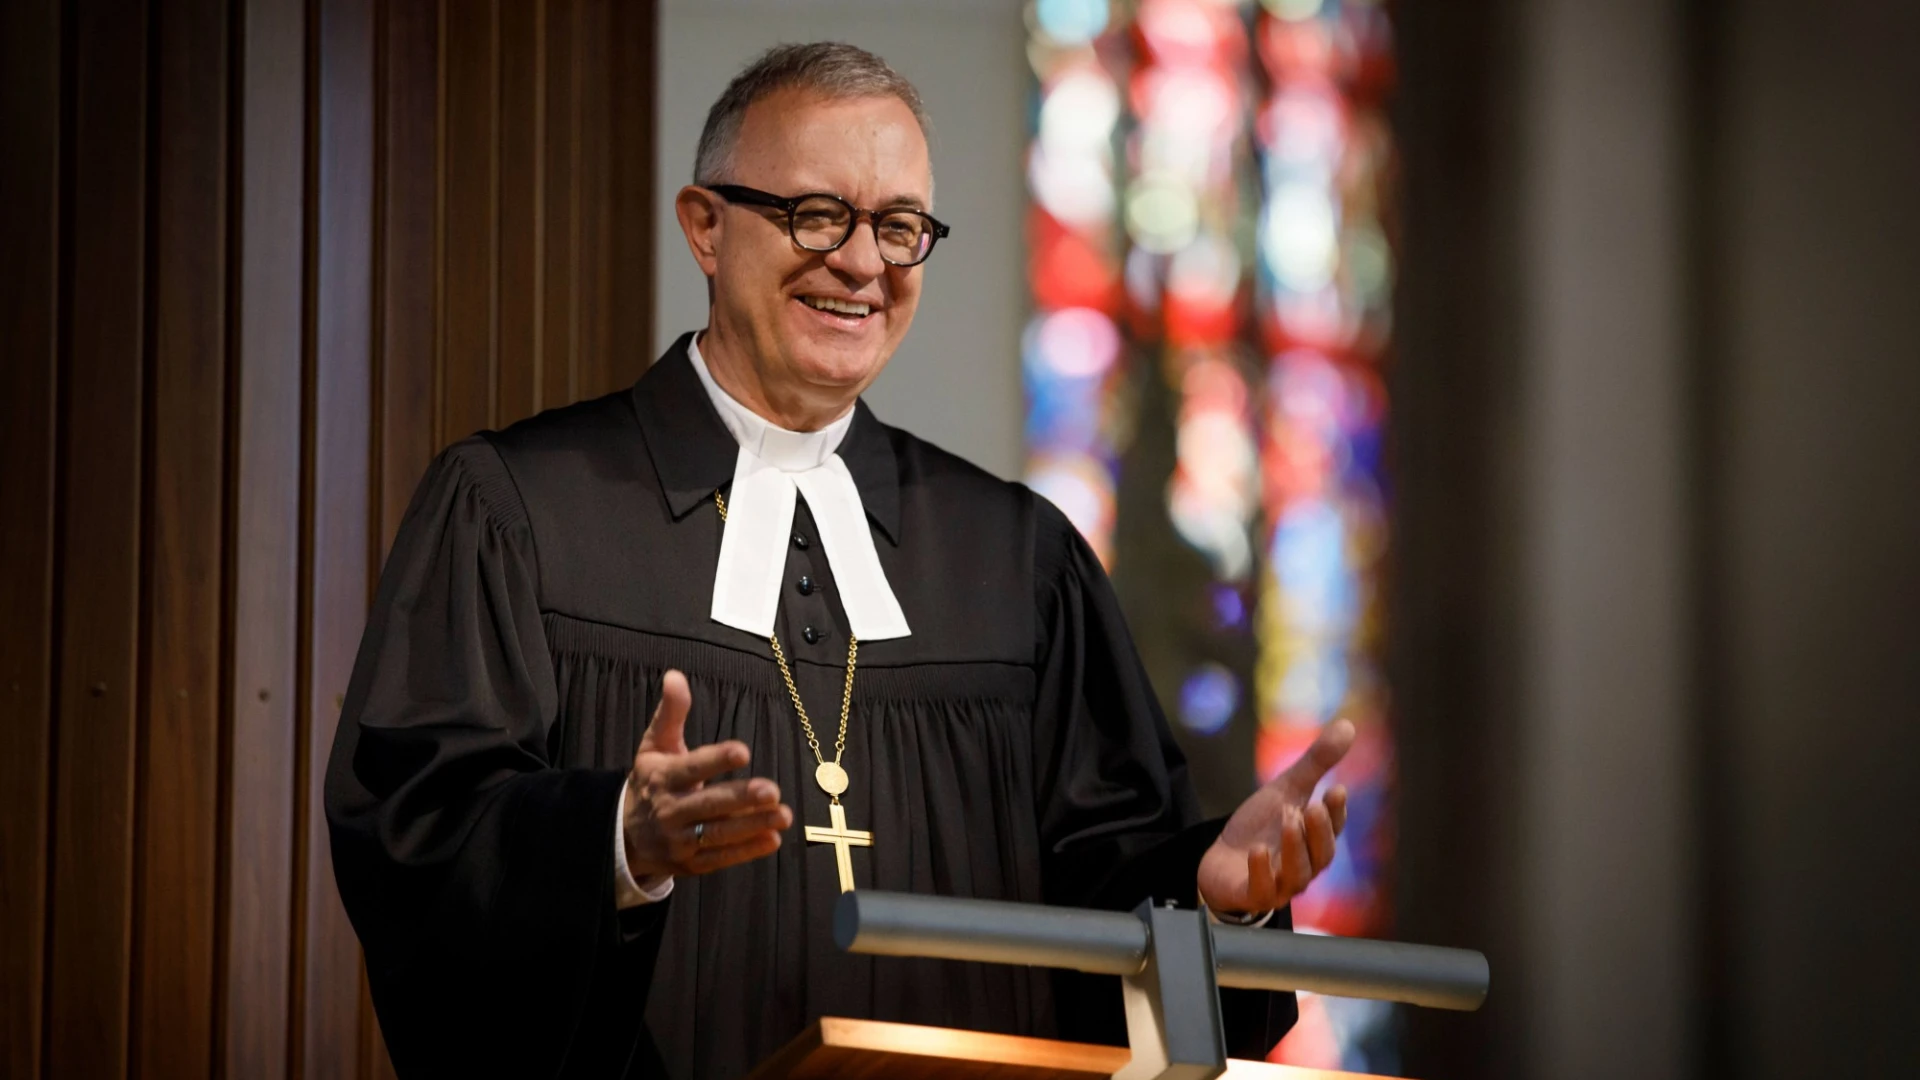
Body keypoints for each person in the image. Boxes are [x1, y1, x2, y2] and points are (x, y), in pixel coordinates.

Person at [326, 41, 1353, 1080]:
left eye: (900, 227)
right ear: (706, 228)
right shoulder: (523, 511)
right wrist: (613, 841)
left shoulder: (1015, 561)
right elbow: (417, 838)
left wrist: (1218, 893)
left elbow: (1100, 889)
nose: (862, 263)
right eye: (817, 215)